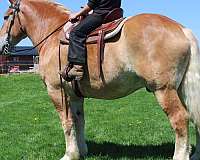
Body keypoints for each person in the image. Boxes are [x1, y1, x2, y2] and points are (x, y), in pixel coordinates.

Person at [60, 0, 122, 81]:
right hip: (114, 14)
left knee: (75, 33)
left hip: (100, 15)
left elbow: (91, 4)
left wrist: (77, 14)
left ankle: (77, 68)